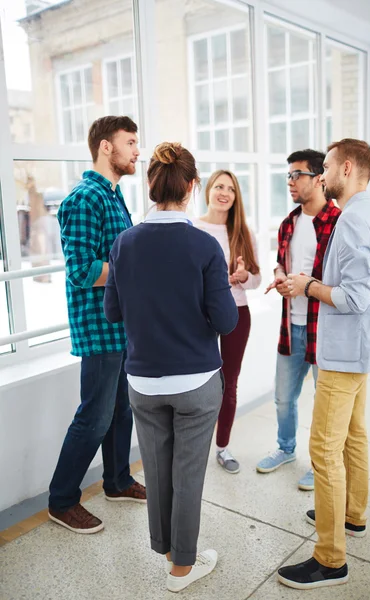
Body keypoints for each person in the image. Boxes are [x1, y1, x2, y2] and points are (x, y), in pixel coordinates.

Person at [104, 142, 238, 593]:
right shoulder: (204, 246)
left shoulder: (124, 244)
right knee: (187, 475)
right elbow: (225, 320)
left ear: (150, 185)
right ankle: (182, 567)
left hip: (142, 381)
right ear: (193, 186)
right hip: (197, 382)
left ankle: (165, 548)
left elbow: (113, 312)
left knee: (157, 471)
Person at [278, 139, 370, 589]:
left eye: (324, 167)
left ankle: (330, 560)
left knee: (324, 449)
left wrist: (309, 286)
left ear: (347, 167)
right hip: (359, 348)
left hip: (346, 352)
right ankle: (353, 515)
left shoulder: (351, 222)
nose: (321, 175)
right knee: (355, 434)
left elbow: (356, 297)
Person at [48, 116, 146, 534]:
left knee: (122, 410)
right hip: (98, 327)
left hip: (121, 325)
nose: (137, 151)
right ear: (106, 147)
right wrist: (136, 268)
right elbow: (82, 271)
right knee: (95, 416)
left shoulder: (112, 195)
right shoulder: (84, 199)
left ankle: (117, 480)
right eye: (130, 142)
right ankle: (62, 500)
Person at [256, 150, 340, 490]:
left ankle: (320, 465)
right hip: (291, 326)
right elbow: (280, 262)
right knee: (283, 397)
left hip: (325, 328)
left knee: (326, 402)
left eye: (297, 175)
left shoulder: (338, 221)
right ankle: (286, 449)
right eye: (288, 176)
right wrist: (280, 275)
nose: (290, 182)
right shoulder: (289, 222)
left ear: (320, 177)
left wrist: (307, 284)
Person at [195, 170, 261, 474]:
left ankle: (222, 447)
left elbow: (257, 279)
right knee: (200, 382)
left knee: (229, 382)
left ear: (236, 197)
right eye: (219, 186)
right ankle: (197, 443)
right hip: (199, 314)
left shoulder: (243, 232)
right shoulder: (192, 228)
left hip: (237, 312)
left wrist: (245, 277)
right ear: (208, 190)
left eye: (231, 189)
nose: (224, 193)